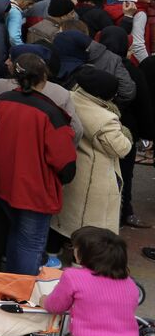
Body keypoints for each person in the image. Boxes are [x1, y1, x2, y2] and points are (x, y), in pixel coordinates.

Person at [0, 53, 77, 274]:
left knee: (16, 233)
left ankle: (13, 281)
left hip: (4, 182)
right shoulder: (50, 112)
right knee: (31, 243)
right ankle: (25, 288)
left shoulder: (3, 101)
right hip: (34, 189)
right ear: (43, 77)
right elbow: (64, 161)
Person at [52, 67, 131, 239]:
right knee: (90, 230)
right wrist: (125, 133)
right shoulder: (105, 119)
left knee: (63, 219)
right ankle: (81, 255)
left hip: (72, 169)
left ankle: (54, 251)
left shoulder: (69, 98)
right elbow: (121, 148)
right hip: (94, 178)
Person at [42, 226, 142, 336]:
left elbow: (55, 306)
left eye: (75, 247)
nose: (73, 250)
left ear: (84, 254)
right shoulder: (129, 283)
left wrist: (44, 300)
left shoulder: (72, 276)